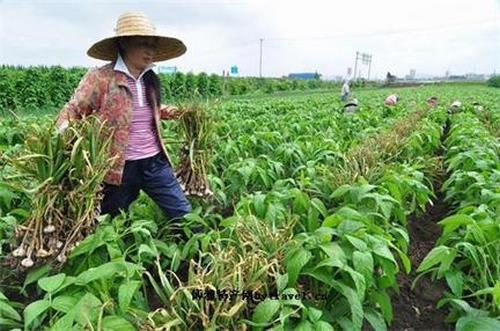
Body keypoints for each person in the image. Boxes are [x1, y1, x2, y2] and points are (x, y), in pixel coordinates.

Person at [55, 11, 192, 220]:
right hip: (118, 168)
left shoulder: (150, 79)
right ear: (125, 43)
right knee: (111, 221)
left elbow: (141, 107)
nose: (150, 50)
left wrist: (167, 111)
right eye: (143, 43)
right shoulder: (101, 78)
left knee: (183, 214)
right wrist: (64, 131)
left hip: (154, 161)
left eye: (152, 45)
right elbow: (73, 109)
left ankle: (199, 249)